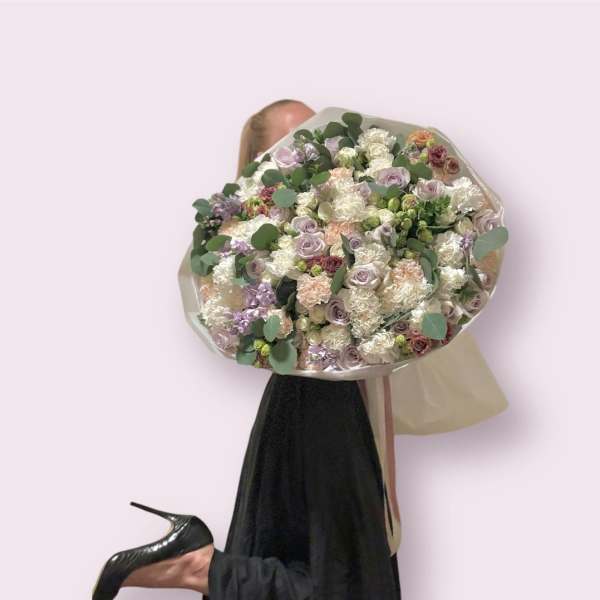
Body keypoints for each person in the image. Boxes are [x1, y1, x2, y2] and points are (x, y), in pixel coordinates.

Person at [92, 99, 402, 600]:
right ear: (259, 164)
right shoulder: (259, 236)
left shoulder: (353, 215)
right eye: (291, 141)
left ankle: (197, 561)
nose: (309, 151)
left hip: (340, 399)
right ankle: (196, 566)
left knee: (353, 572)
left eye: (318, 134)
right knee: (339, 580)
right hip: (311, 400)